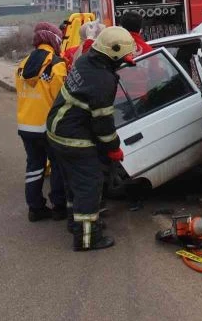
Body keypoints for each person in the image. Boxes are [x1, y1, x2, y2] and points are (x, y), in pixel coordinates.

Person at [47, 26, 136, 251]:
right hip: (74, 137)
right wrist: (113, 148)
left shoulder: (86, 61)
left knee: (73, 183)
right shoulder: (102, 79)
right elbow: (103, 124)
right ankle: (87, 238)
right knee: (89, 185)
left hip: (57, 130)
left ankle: (75, 222)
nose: (125, 63)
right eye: (123, 59)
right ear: (113, 53)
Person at [15, 22, 68, 222]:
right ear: (54, 39)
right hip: (49, 126)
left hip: (26, 126)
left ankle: (35, 208)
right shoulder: (57, 64)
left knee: (34, 166)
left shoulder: (22, 65)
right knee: (57, 165)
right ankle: (59, 207)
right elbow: (62, 97)